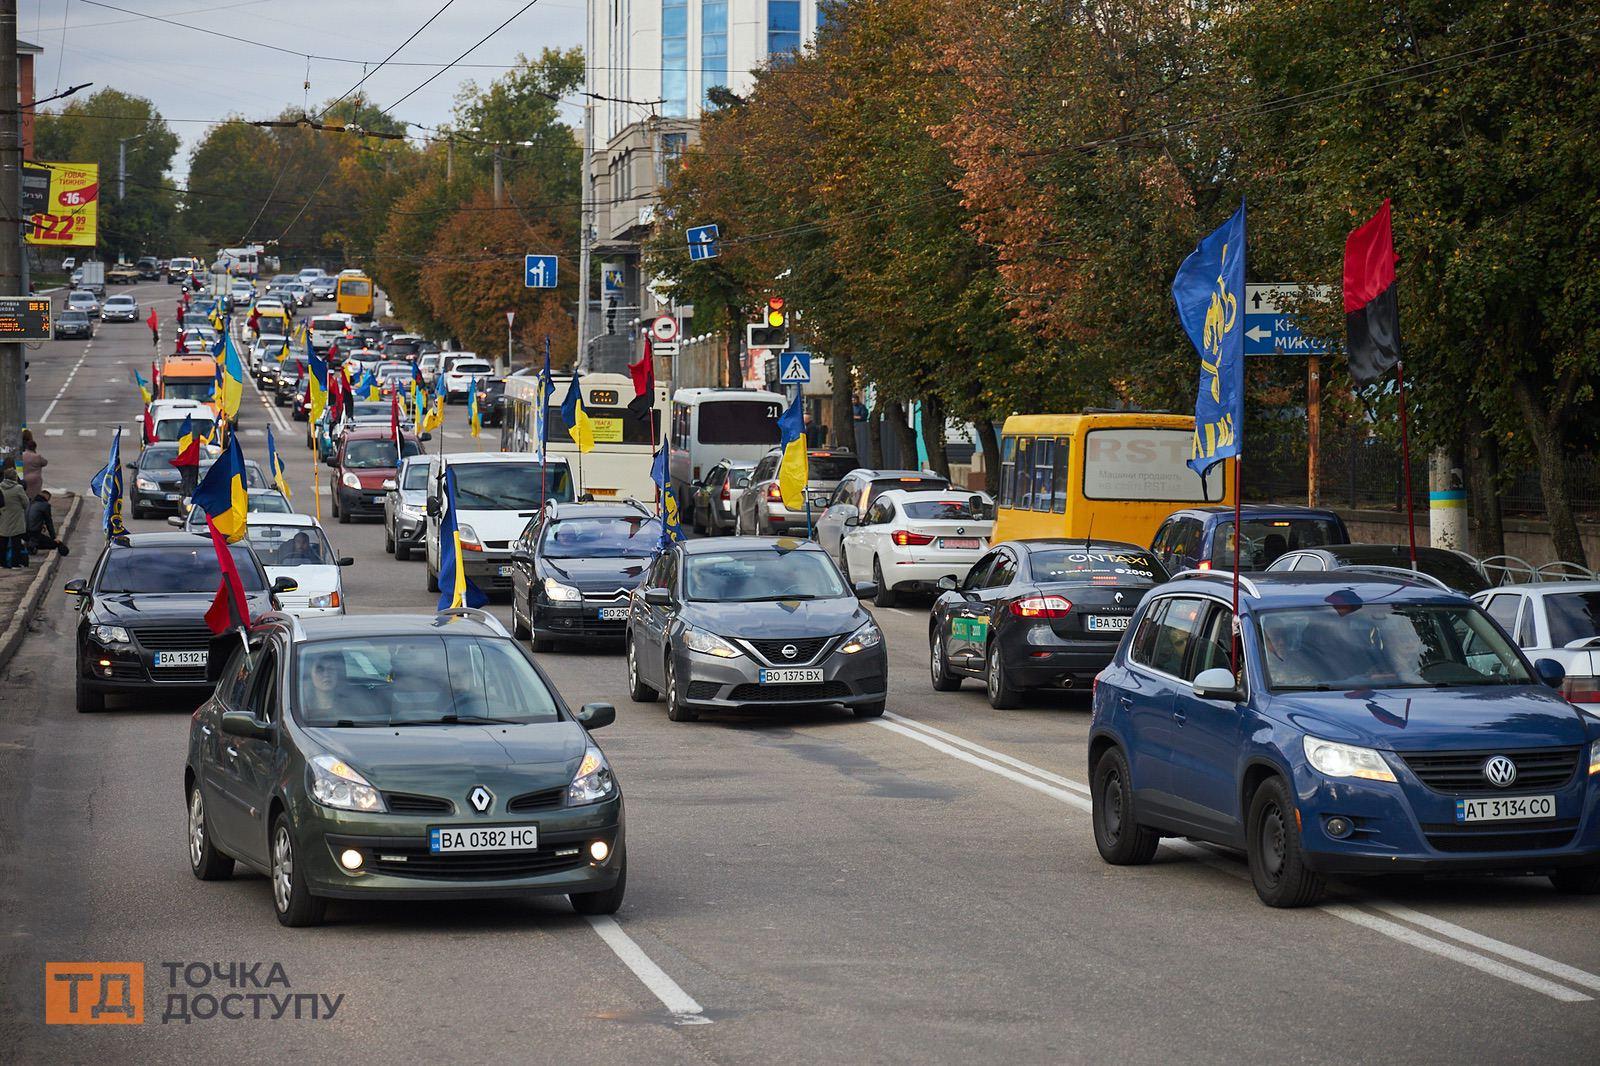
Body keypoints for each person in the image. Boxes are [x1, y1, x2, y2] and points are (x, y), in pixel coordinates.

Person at [0, 461, 27, 568]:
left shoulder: (0, 487)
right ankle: (15, 563)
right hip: (16, 517)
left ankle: (2, 563)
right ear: (14, 477)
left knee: (2, 541)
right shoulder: (18, 488)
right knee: (16, 542)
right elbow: (26, 502)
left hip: (3, 517)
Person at [26, 490, 66, 556]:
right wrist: (54, 538)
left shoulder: (29, 502)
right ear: (47, 497)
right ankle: (32, 545)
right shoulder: (45, 505)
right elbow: (49, 522)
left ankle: (31, 544)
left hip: (23, 531)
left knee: (35, 537)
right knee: (54, 544)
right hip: (34, 532)